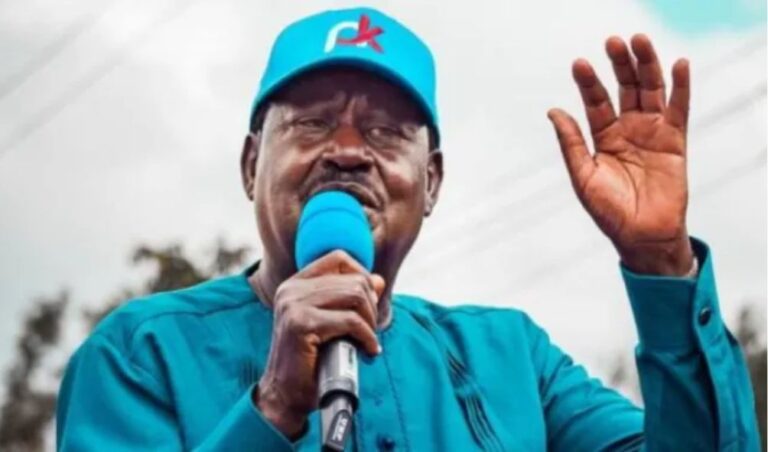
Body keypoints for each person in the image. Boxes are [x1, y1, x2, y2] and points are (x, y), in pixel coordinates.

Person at [56, 7, 759, 451]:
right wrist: (271, 409)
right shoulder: (139, 355)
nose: (348, 150)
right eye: (312, 123)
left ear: (431, 184)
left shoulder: (513, 359)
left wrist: (662, 264)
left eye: (387, 132)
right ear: (250, 165)